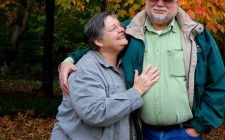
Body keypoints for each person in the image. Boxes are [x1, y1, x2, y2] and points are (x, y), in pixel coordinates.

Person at [59, 0, 225, 139]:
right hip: (142, 132)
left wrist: (199, 126)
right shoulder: (130, 31)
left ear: (177, 2)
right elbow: (100, 46)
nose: (160, 3)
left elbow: (217, 81)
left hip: (183, 133)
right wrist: (69, 60)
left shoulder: (196, 35)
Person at [51, 11, 160, 140]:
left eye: (119, 25)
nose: (121, 29)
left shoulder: (122, 67)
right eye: (114, 28)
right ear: (98, 41)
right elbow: (95, 113)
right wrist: (136, 91)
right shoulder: (85, 71)